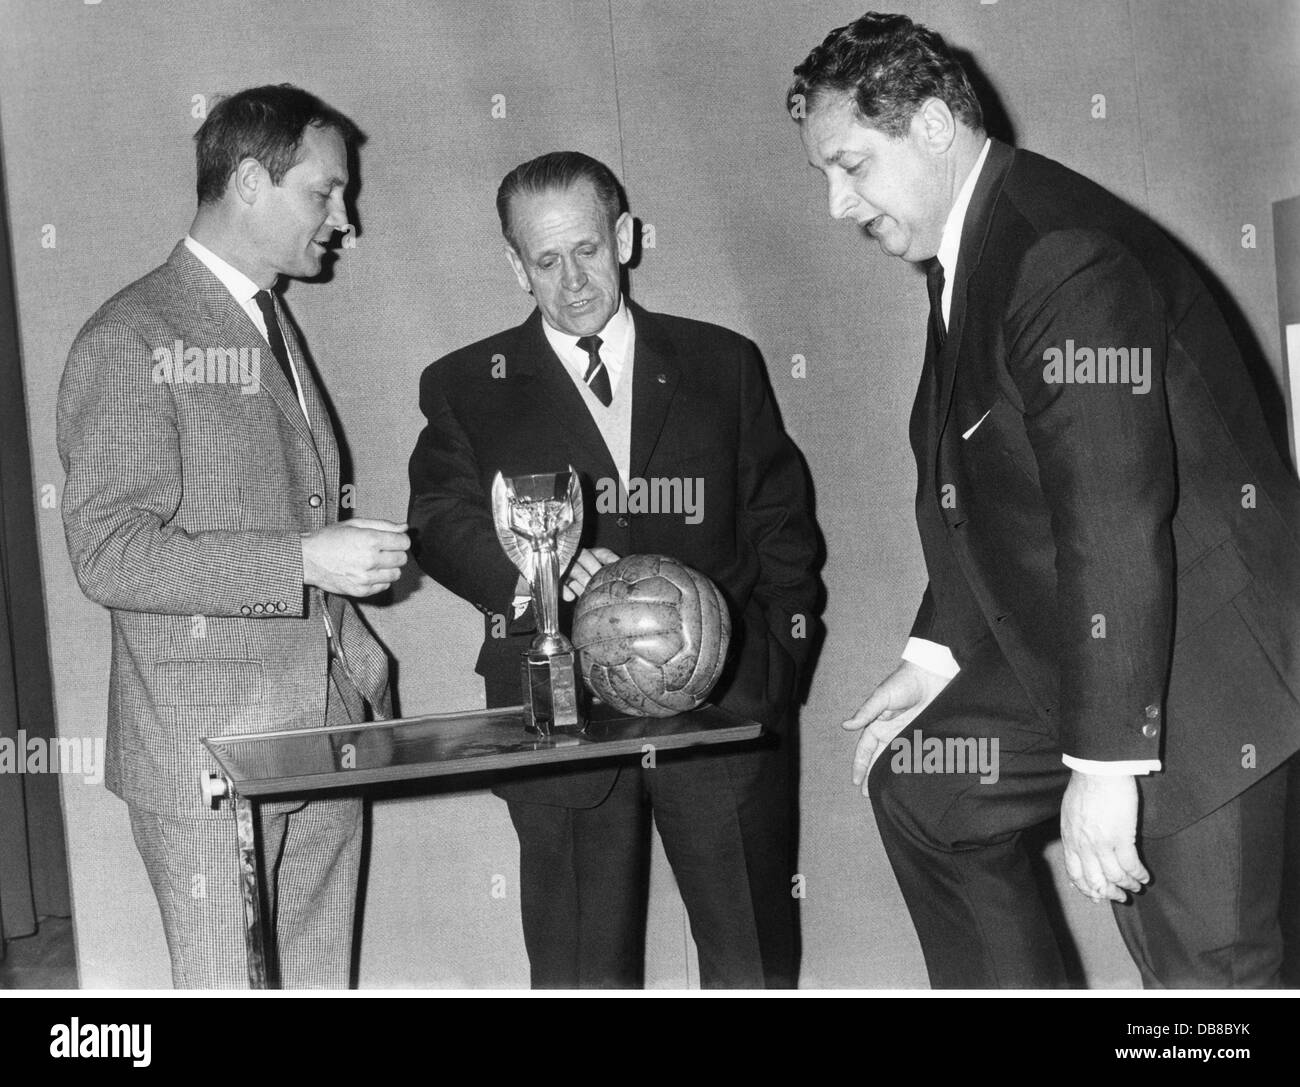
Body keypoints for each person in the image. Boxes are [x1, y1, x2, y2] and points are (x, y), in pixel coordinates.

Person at [789, 12, 1300, 988]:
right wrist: (934, 653)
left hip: (1201, 664)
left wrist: (1108, 765)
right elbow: (985, 480)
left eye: (850, 166)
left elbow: (1106, 512)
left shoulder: (1056, 254)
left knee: (1205, 984)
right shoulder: (971, 246)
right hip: (1098, 629)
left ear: (933, 126)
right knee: (929, 795)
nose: (834, 204)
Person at [408, 151, 818, 988]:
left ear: (625, 237)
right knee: (579, 972)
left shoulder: (722, 362)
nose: (573, 281)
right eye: (546, 261)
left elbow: (784, 528)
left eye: (588, 249)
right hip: (557, 717)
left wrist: (771, 673)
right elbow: (437, 521)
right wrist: (538, 569)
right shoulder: (466, 384)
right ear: (514, 265)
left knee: (754, 964)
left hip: (724, 719)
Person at [57, 84, 409, 988]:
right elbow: (108, 551)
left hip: (323, 731)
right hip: (212, 752)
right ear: (250, 180)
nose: (345, 220)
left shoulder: (269, 319)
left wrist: (357, 664)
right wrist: (299, 558)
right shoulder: (130, 336)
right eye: (324, 193)